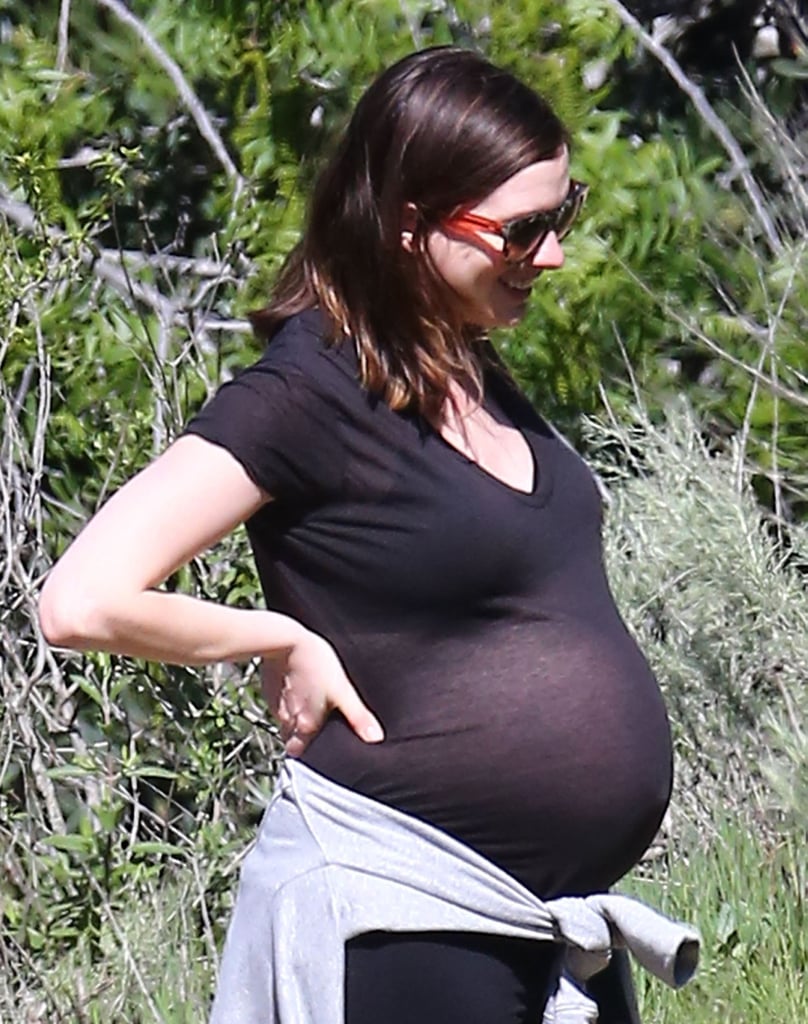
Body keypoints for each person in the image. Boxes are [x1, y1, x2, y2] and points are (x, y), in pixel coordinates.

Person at [39, 46, 675, 1023]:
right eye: (522, 230)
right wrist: (276, 636)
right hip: (405, 916)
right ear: (410, 225)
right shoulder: (307, 393)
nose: (550, 254)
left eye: (562, 215)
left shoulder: (470, 372)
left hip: (537, 925)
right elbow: (80, 599)